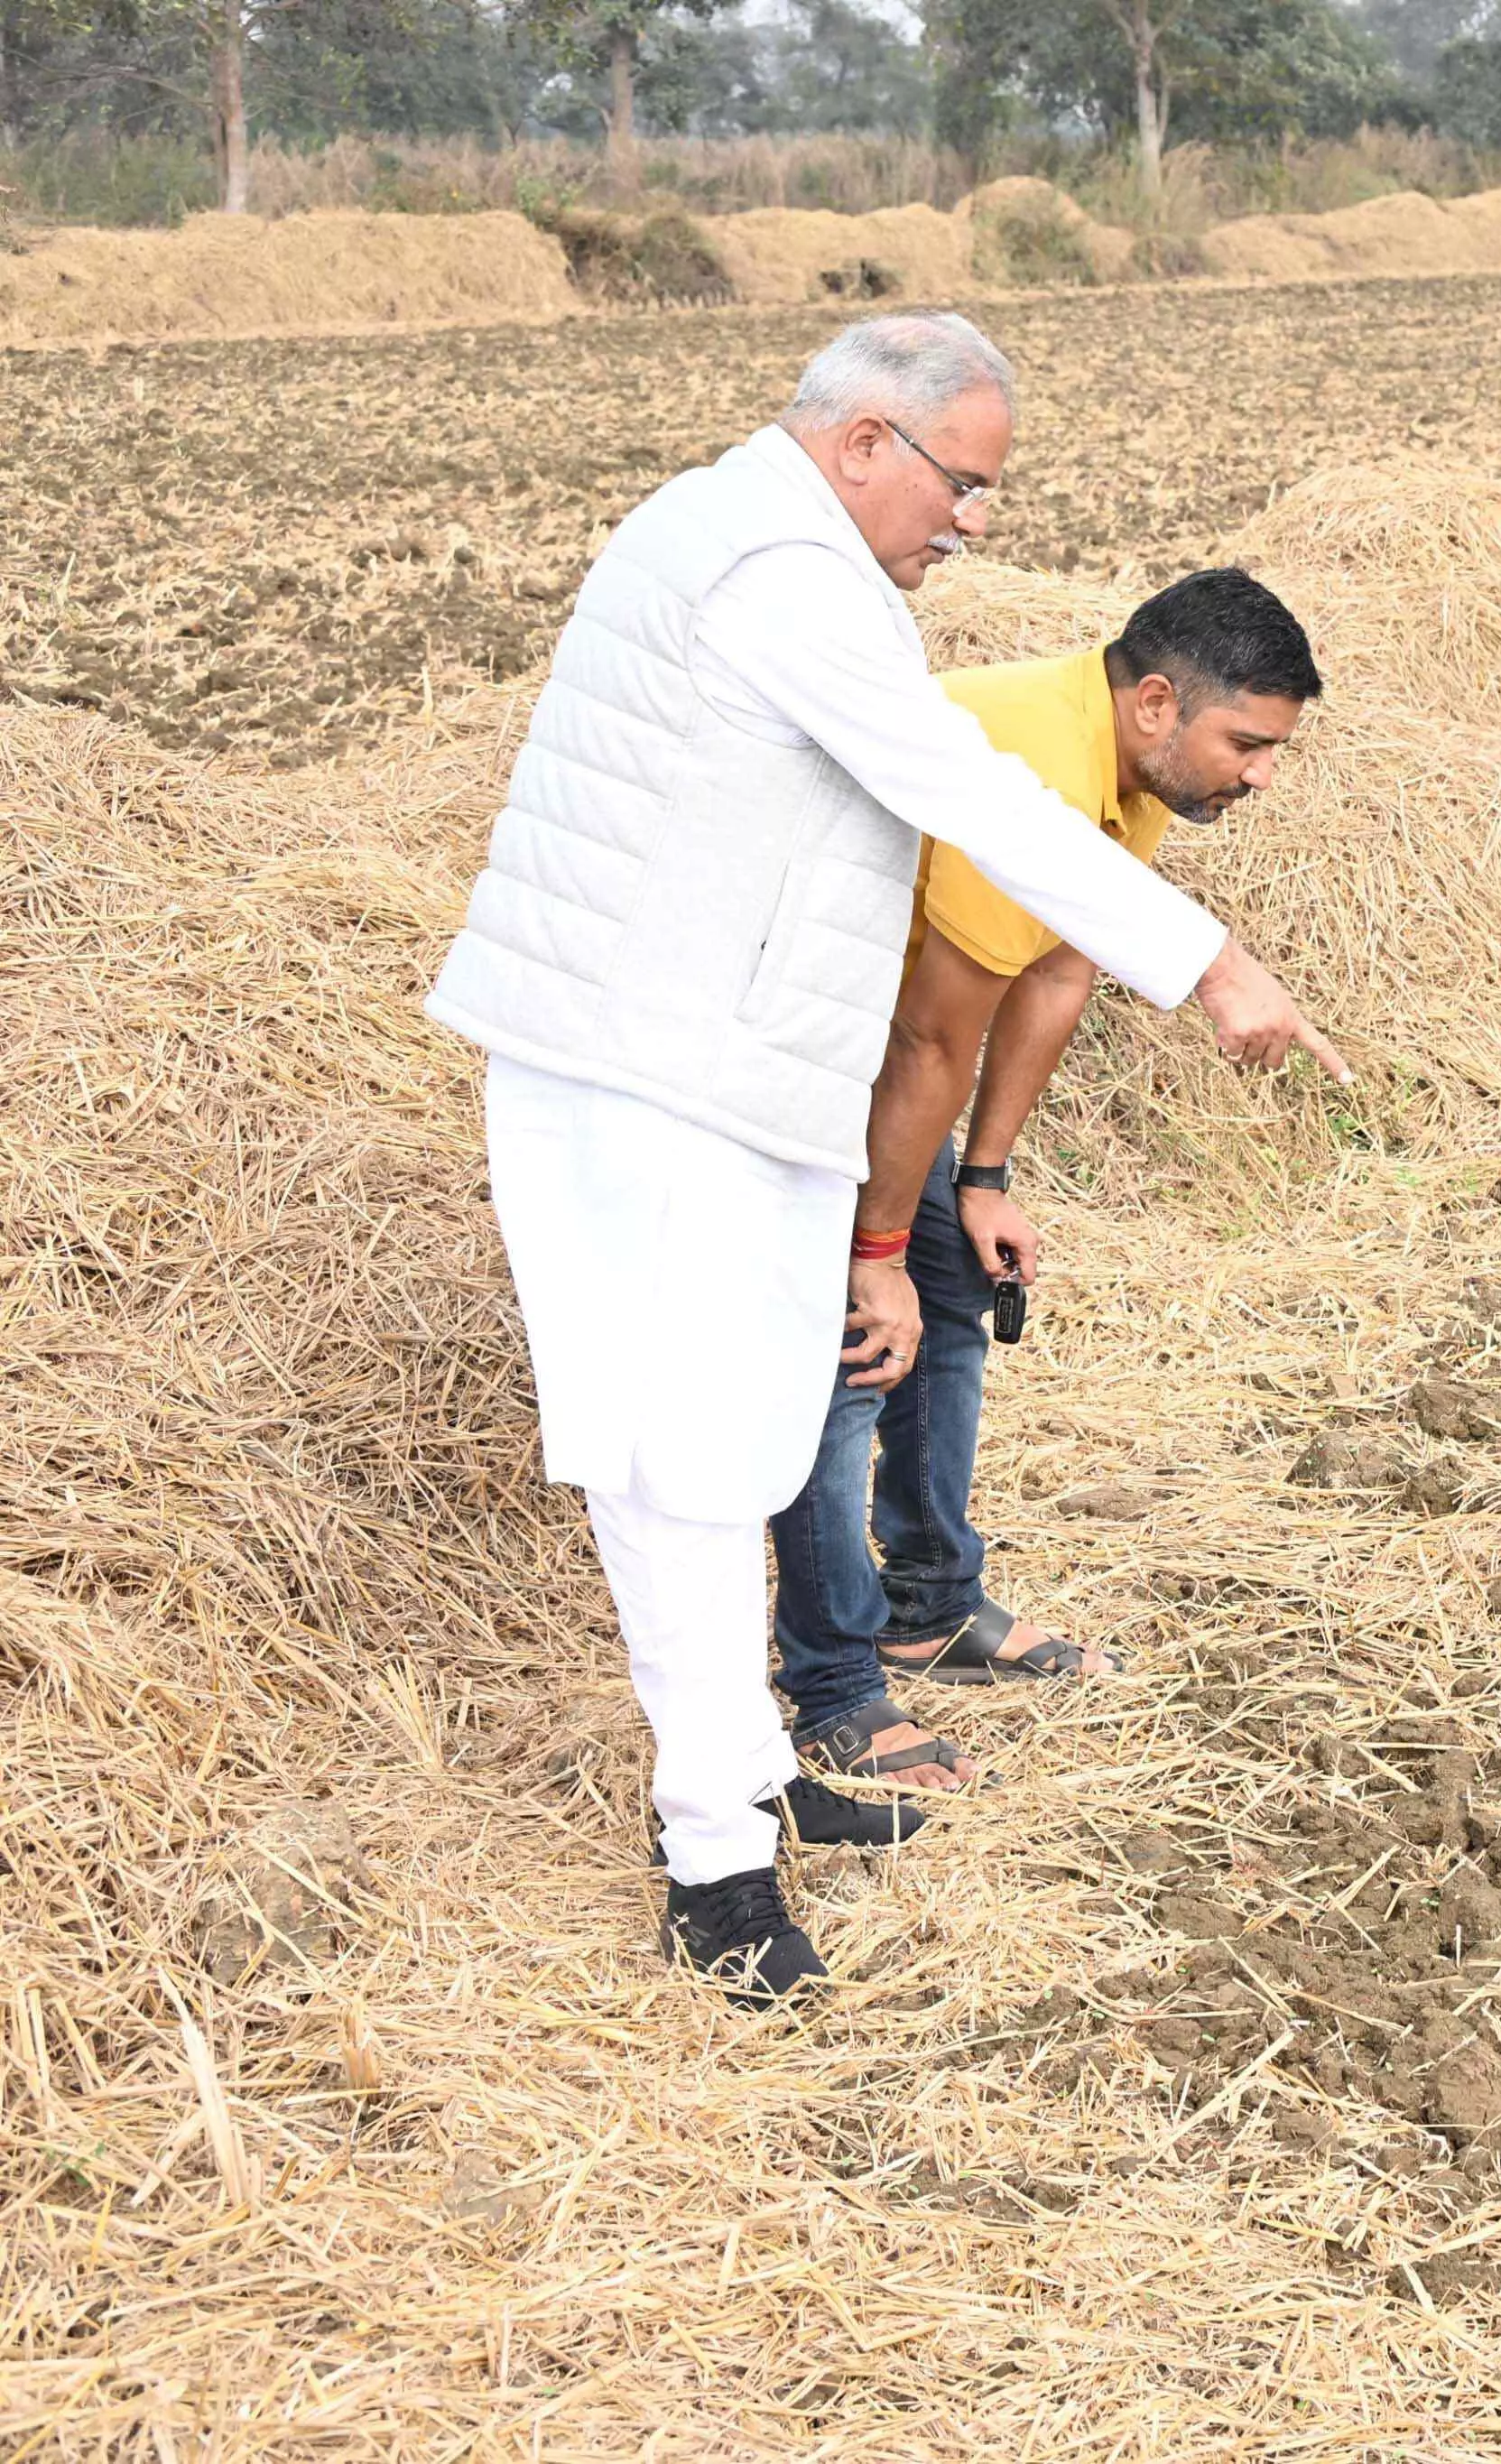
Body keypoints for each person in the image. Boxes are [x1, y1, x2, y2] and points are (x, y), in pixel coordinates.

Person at [424, 312, 1348, 2006]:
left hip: (732, 1070)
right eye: (963, 482)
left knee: (760, 1430)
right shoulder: (765, 566)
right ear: (864, 442)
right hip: (642, 1074)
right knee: (682, 1467)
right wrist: (1205, 959)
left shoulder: (789, 557)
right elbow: (955, 782)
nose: (976, 521)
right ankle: (717, 1868)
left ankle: (765, 1775)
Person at [769, 568, 1320, 1789]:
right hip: (793, 1039)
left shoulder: (1135, 773)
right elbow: (928, 1036)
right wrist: (872, 1256)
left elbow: (1061, 969)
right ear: (1159, 701)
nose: (1262, 774)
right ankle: (834, 1682)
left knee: (953, 1287)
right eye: (1250, 743)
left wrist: (984, 1176)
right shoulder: (1027, 753)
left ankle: (930, 1603)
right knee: (855, 1351)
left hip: (886, 1044)